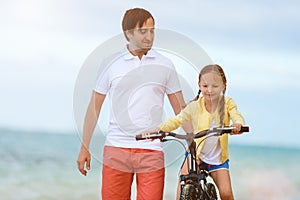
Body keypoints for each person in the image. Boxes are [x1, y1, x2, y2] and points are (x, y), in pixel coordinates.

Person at [77, 8, 191, 200]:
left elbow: (179, 108)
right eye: (143, 31)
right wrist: (84, 146)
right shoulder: (110, 63)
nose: (149, 36)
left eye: (152, 31)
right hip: (116, 149)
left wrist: (194, 143)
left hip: (152, 150)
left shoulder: (165, 65)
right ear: (129, 33)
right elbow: (94, 107)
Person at [158, 64, 245, 200]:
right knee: (183, 183)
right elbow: (177, 120)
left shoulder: (227, 103)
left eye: (215, 86)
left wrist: (238, 124)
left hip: (217, 159)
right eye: (205, 86)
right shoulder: (195, 106)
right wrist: (160, 129)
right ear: (199, 85)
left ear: (223, 85)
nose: (209, 90)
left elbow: (236, 115)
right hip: (196, 155)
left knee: (226, 194)